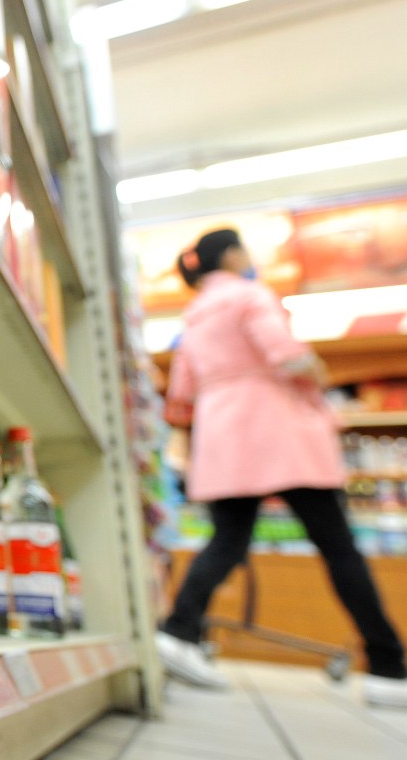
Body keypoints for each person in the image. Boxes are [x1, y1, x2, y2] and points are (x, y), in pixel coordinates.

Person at [156, 228, 407, 707]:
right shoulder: (251, 296)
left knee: (226, 541)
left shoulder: (194, 315)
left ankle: (179, 630)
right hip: (278, 432)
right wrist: (317, 376)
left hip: (224, 434)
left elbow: (182, 392)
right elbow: (286, 355)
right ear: (231, 255)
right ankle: (387, 666)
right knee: (338, 548)